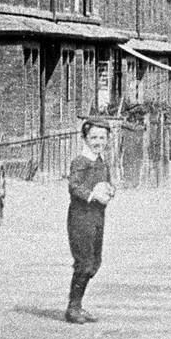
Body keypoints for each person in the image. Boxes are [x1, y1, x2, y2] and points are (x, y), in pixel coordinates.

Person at [64, 118, 116, 324]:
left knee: (95, 262)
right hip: (80, 217)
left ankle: (78, 304)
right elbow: (74, 187)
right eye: (93, 137)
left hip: (97, 217)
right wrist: (92, 195)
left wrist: (111, 191)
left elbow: (108, 183)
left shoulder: (102, 162)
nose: (98, 141)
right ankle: (73, 307)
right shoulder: (80, 162)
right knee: (84, 262)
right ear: (85, 139)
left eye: (102, 137)